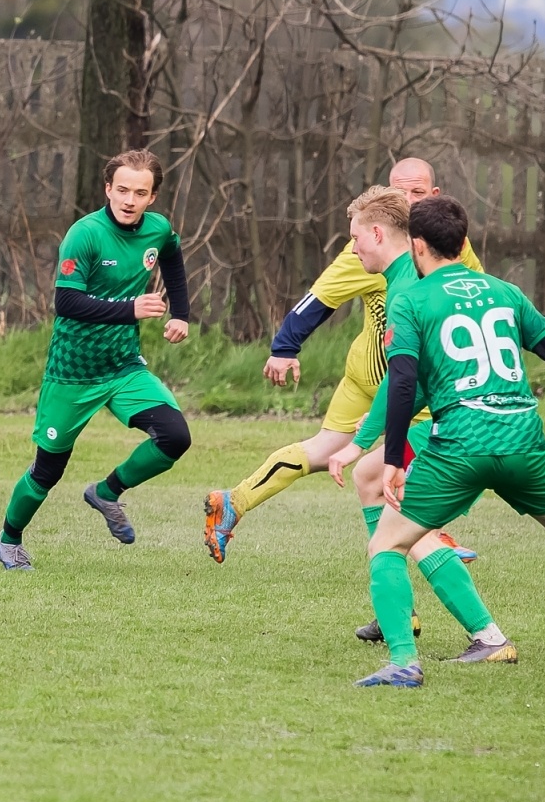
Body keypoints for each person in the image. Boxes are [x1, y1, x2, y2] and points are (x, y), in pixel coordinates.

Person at [354, 196, 545, 689]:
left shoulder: (411, 300)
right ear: (464, 243)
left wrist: (391, 460)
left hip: (459, 446)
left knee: (387, 544)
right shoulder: (507, 292)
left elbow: (403, 380)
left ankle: (404, 661)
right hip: (523, 440)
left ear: (418, 247)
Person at [203, 159, 481, 575]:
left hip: (393, 374)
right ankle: (429, 536)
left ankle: (235, 501)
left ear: (434, 196)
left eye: (417, 193)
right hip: (395, 378)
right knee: (433, 450)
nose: (407, 200)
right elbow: (318, 298)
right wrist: (284, 345)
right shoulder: (372, 247)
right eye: (398, 192)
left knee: (323, 452)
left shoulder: (448, 245)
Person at [324, 186, 517, 663]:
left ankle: (485, 635)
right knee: (375, 483)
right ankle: (401, 608)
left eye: (354, 239)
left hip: (443, 423)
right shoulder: (406, 276)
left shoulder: (407, 288)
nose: (352, 249)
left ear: (376, 233)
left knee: (406, 524)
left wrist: (358, 442)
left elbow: (401, 379)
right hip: (443, 418)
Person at [0, 149, 192, 570]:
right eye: (122, 189)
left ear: (152, 197)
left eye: (140, 192)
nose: (129, 199)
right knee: (48, 471)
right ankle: (8, 541)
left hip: (123, 366)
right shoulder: (84, 235)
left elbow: (172, 256)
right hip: (72, 373)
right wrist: (130, 310)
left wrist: (181, 314)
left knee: (175, 436)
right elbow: (66, 302)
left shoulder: (157, 229)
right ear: (107, 189)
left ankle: (106, 492)